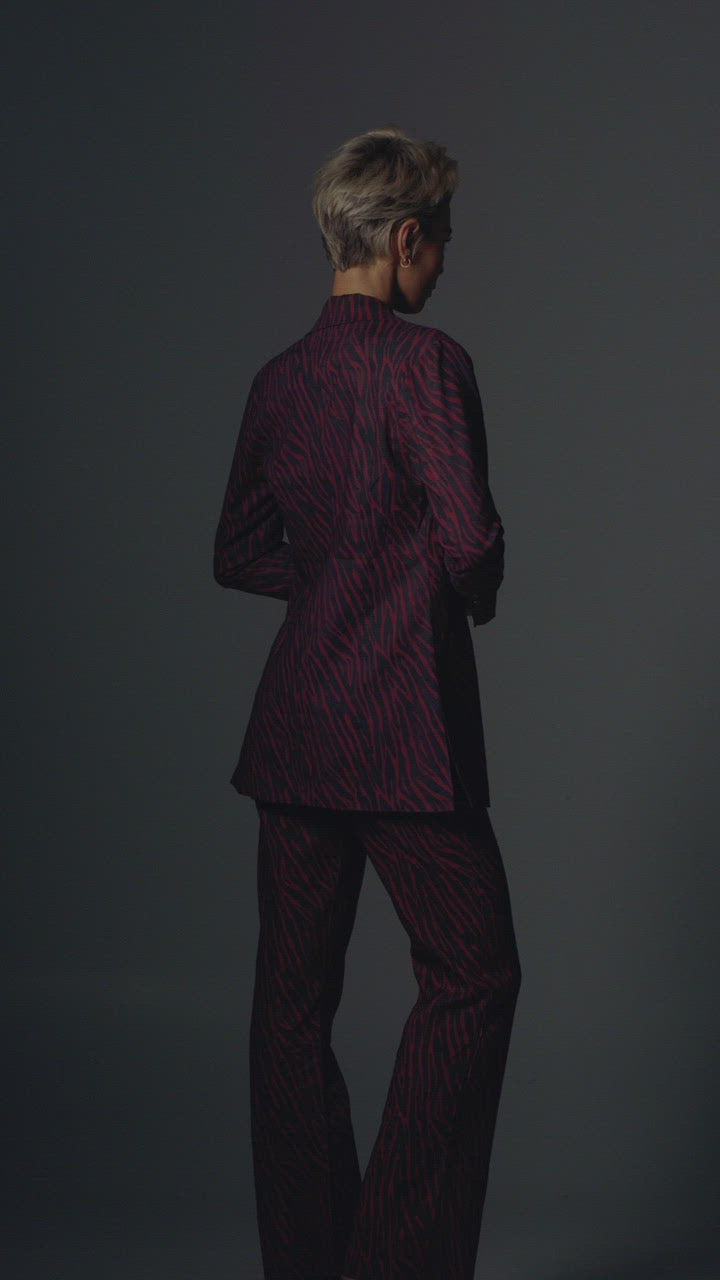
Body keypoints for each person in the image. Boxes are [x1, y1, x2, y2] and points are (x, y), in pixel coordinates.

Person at [213, 126, 522, 1280]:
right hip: (404, 732)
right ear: (402, 239)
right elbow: (470, 540)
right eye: (440, 240)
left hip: (296, 729)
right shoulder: (425, 362)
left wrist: (341, 579)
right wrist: (453, 594)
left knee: (290, 1009)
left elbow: (239, 549)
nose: (444, 261)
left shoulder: (279, 379)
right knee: (474, 975)